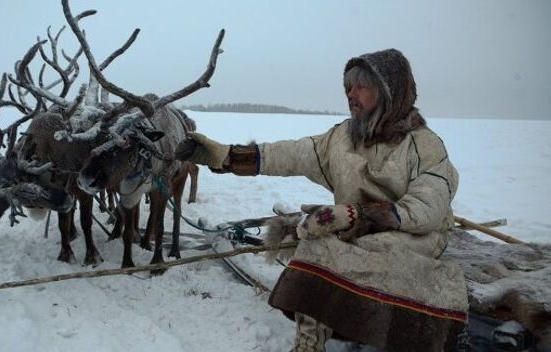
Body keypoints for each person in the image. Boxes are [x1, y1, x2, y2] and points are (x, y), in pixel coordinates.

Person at [175, 49, 468, 352]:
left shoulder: (424, 145)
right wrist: (227, 156)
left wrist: (354, 215)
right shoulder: (342, 138)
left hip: (414, 232)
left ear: (388, 92)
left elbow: (426, 209)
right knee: (317, 243)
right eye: (348, 87)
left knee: (357, 250)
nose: (351, 95)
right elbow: (292, 153)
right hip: (356, 225)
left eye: (361, 86)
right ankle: (310, 342)